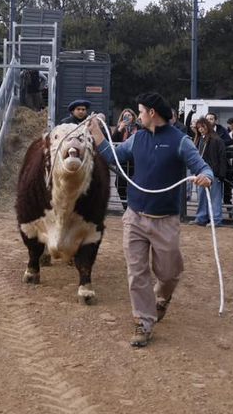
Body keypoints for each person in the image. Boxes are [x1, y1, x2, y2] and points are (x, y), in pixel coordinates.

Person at [88, 92, 213, 348]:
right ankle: (143, 322)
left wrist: (206, 176)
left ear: (152, 113)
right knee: (137, 272)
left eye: (141, 111)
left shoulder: (180, 141)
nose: (139, 116)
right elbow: (113, 156)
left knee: (169, 273)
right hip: (134, 216)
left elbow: (202, 167)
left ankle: (162, 298)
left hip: (165, 220)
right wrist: (97, 134)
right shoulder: (137, 138)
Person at [192, 117, 227, 226]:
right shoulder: (200, 139)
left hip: (214, 173)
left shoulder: (216, 140)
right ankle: (202, 218)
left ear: (207, 126)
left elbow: (222, 158)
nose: (201, 129)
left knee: (214, 197)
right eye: (199, 128)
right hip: (203, 172)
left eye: (202, 127)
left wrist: (221, 174)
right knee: (202, 197)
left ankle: (215, 219)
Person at [111, 108, 139, 211]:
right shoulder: (120, 127)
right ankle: (125, 205)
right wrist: (119, 129)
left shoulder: (138, 127)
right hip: (122, 160)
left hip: (135, 160)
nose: (127, 117)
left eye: (129, 115)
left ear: (133, 117)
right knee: (119, 184)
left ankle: (134, 205)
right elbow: (113, 141)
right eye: (125, 116)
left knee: (134, 183)